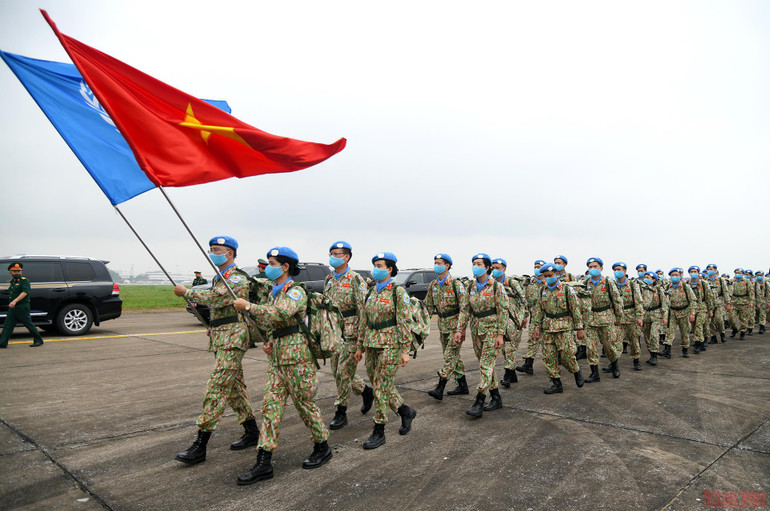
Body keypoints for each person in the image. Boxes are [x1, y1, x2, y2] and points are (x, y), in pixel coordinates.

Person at [233, 246, 332, 485]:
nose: (268, 268)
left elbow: (280, 313)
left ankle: (322, 446)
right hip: (277, 359)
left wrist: (248, 306)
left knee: (305, 406)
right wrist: (269, 340)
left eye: (272, 263)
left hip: (298, 359)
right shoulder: (273, 292)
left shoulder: (295, 292)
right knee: (270, 409)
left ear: (285, 267)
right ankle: (263, 462)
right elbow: (272, 323)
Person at [172, 236, 259, 466]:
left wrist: (188, 292)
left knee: (217, 387)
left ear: (229, 254)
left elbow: (217, 298)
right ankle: (252, 431)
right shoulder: (219, 277)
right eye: (211, 249)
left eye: (217, 249)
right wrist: (213, 326)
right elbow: (218, 308)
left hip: (234, 338)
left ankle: (200, 445)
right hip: (221, 337)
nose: (212, 253)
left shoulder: (237, 278)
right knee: (234, 388)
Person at [354, 252, 417, 449]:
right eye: (374, 265)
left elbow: (405, 322)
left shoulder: (398, 292)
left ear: (390, 269)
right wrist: (359, 346)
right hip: (371, 344)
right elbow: (364, 321)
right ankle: (405, 411)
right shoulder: (371, 292)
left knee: (380, 388)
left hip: (391, 345)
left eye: (380, 266)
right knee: (380, 384)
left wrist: (405, 349)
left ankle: (379, 430)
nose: (376, 269)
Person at [324, 241, 374, 430]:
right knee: (336, 371)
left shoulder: (355, 279)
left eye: (336, 254)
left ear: (346, 257)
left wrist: (361, 340)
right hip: (333, 332)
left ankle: (341, 412)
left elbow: (363, 310)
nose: (332, 257)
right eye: (331, 253)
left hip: (351, 332)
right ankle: (365, 391)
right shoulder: (329, 279)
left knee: (343, 373)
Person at [455, 253, 507, 417]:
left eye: (479, 264)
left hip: (492, 330)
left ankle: (479, 400)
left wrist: (501, 334)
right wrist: (460, 329)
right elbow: (465, 310)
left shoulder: (496, 287)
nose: (475, 267)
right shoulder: (470, 286)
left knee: (485, 365)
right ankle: (496, 397)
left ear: (487, 267)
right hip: (476, 330)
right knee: (487, 366)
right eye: (474, 264)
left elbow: (503, 312)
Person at [531, 263, 585, 394]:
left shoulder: (566, 289)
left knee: (567, 355)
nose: (548, 278)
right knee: (548, 357)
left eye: (550, 275)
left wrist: (579, 328)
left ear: (556, 274)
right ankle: (556, 383)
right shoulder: (542, 291)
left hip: (563, 327)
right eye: (545, 276)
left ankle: (576, 371)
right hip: (548, 328)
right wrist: (536, 327)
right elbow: (538, 310)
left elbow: (575, 310)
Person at [424, 253, 469, 400]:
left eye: (439, 263)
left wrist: (461, 329)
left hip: (455, 327)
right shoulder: (433, 285)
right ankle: (462, 385)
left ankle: (440, 387)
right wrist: (421, 325)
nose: (436, 265)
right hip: (442, 326)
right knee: (452, 356)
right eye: (435, 263)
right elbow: (428, 307)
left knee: (450, 356)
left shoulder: (456, 285)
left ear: (447, 266)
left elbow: (464, 308)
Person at [582, 258, 623, 382]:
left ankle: (614, 366)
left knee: (610, 346)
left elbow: (617, 301)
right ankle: (594, 373)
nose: (592, 269)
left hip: (606, 318)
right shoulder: (585, 283)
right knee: (591, 347)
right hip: (590, 319)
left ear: (601, 268)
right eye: (590, 267)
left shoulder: (608, 282)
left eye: (595, 266)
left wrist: (619, 318)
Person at [491, 257, 527, 388]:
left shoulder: (512, 283)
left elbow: (523, 299)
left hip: (513, 320)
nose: (495, 270)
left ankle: (507, 375)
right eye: (493, 268)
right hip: (499, 320)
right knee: (504, 350)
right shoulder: (492, 284)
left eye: (498, 268)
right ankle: (512, 374)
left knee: (510, 347)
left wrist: (524, 317)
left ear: (504, 269)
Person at [0, 262, 44, 348]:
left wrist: (14, 301)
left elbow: (25, 292)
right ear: (10, 272)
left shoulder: (24, 281)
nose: (17, 273)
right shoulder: (12, 282)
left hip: (22, 307)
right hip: (13, 308)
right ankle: (2, 343)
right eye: (15, 271)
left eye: (19, 271)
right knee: (8, 325)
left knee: (28, 324)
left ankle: (38, 340)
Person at [611, 262, 645, 370]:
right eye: (615, 270)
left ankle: (636, 360)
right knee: (615, 341)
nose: (617, 271)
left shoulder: (633, 285)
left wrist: (639, 317)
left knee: (634, 341)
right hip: (617, 318)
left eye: (619, 269)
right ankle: (614, 363)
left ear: (625, 271)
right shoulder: (612, 285)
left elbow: (638, 302)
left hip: (631, 317)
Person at [516, 260, 546, 375]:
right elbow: (526, 302)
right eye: (535, 267)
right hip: (534, 317)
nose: (537, 269)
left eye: (539, 267)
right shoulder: (530, 284)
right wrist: (525, 316)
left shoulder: (548, 283)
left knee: (549, 343)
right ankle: (528, 365)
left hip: (548, 318)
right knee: (532, 340)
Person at [663, 267, 696, 357]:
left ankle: (685, 350)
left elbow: (692, 300)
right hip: (672, 313)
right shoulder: (667, 288)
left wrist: (692, 313)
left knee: (685, 332)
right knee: (669, 331)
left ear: (680, 276)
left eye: (676, 275)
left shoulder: (685, 287)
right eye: (672, 275)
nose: (674, 277)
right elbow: (665, 302)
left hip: (684, 312)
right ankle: (667, 350)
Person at [640, 271, 668, 366]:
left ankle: (655, 355)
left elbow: (664, 304)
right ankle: (651, 354)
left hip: (656, 314)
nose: (646, 279)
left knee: (654, 335)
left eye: (648, 277)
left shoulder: (659, 290)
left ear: (654, 280)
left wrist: (665, 317)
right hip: (645, 315)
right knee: (647, 336)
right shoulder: (642, 289)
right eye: (645, 277)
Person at [687, 266, 715, 354]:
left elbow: (709, 298)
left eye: (695, 271)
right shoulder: (687, 284)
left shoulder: (704, 284)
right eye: (691, 271)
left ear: (698, 273)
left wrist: (710, 310)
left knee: (699, 325)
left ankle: (698, 344)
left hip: (702, 307)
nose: (693, 273)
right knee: (694, 326)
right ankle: (701, 341)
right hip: (692, 308)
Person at [705, 264, 731, 343]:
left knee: (719, 319)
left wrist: (728, 303)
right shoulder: (705, 281)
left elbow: (725, 292)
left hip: (719, 303)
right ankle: (713, 337)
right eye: (708, 269)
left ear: (715, 270)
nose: (710, 271)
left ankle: (722, 333)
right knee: (710, 321)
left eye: (711, 269)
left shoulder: (720, 280)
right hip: (709, 304)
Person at [753, 270, 767, 335]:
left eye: (761, 275)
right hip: (756, 300)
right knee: (758, 313)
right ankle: (761, 324)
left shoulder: (766, 282)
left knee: (762, 313)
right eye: (758, 275)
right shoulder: (755, 283)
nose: (759, 276)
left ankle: (762, 326)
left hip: (764, 300)